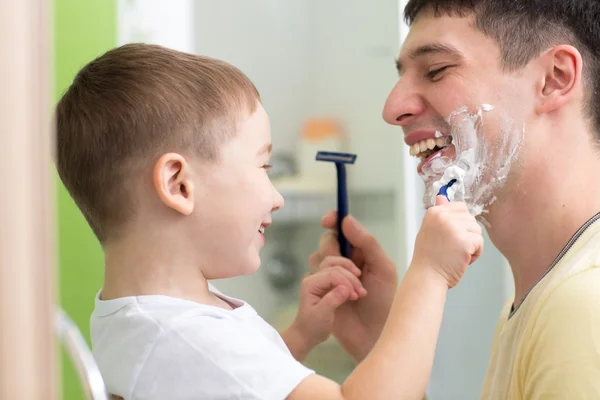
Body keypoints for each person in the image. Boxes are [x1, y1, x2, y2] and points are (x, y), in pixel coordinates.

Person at [54, 43, 483, 400]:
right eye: (265, 167)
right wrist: (428, 272)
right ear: (179, 184)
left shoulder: (150, 319)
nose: (276, 197)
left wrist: (299, 336)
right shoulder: (182, 336)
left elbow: (234, 386)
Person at [311, 0, 600, 398]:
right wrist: (381, 342)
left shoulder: (583, 308)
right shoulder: (544, 296)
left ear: (554, 78)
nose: (391, 108)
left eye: (436, 70)